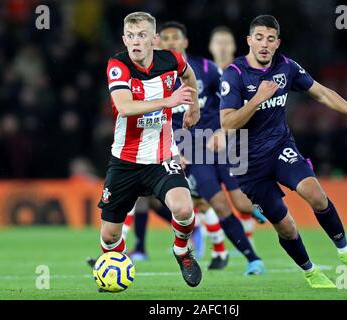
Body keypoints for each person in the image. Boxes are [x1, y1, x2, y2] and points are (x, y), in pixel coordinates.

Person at [220, 15, 347, 288]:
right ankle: (311, 272)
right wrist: (258, 99)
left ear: (277, 43)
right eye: (259, 38)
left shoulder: (286, 67)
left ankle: (346, 252)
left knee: (316, 194)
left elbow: (322, 93)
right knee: (285, 226)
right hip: (247, 164)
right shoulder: (234, 74)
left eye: (270, 39)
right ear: (249, 41)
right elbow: (227, 123)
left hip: (280, 148)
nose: (264, 44)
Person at [97, 12, 201, 288]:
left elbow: (189, 75)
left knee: (184, 208)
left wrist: (194, 106)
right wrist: (169, 101)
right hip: (125, 161)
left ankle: (181, 251)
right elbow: (125, 106)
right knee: (109, 236)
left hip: (162, 157)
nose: (135, 42)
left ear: (154, 39)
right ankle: (114, 270)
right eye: (130, 36)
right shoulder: (118, 65)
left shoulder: (172, 60)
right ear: (123, 39)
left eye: (142, 35)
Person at [158, 21, 266, 275]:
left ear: (185, 42)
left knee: (242, 203)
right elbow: (159, 119)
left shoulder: (205, 68)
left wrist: (226, 130)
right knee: (219, 206)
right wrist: (173, 150)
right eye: (166, 38)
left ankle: (262, 206)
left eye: (176, 38)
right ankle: (253, 259)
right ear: (159, 42)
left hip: (221, 141)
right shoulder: (155, 78)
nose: (171, 42)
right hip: (190, 151)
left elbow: (231, 96)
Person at [209, 26, 257, 241]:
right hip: (204, 143)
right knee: (199, 195)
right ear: (211, 47)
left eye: (226, 42)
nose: (222, 47)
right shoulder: (202, 73)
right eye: (218, 42)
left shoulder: (241, 72)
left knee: (242, 203)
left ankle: (249, 228)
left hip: (237, 142)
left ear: (234, 46)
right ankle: (206, 239)